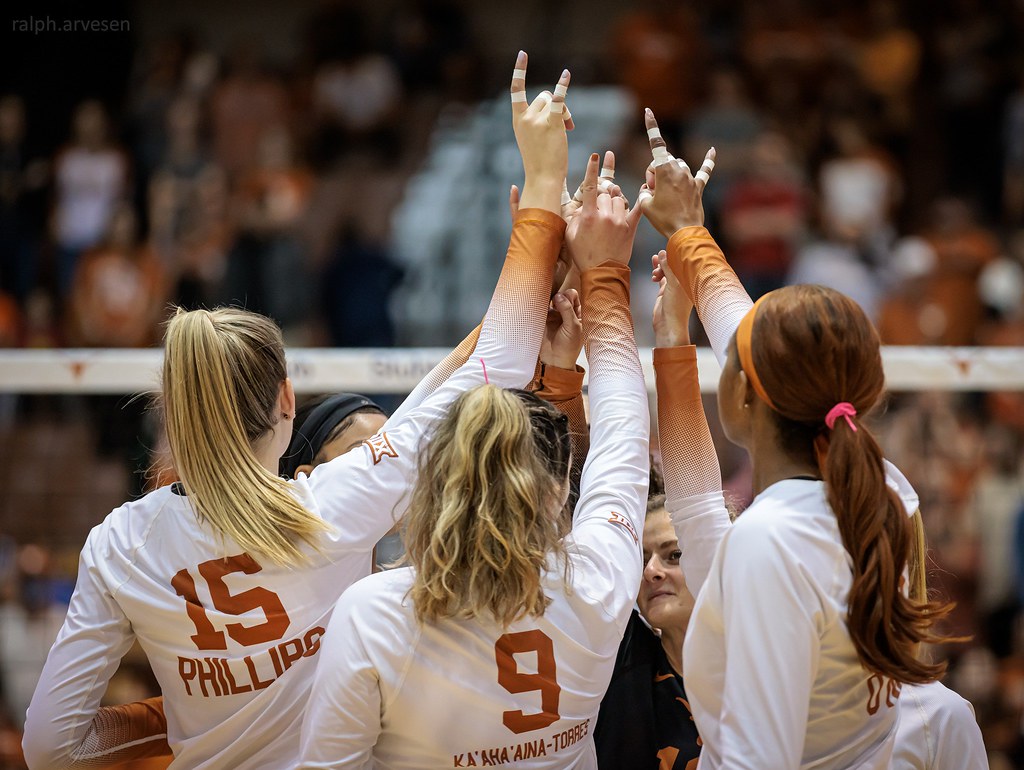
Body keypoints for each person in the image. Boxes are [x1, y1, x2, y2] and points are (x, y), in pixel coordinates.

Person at [21, 51, 573, 770]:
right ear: (287, 400)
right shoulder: (331, 506)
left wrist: (181, 721)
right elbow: (485, 370)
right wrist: (542, 188)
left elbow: (46, 746)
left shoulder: (121, 544)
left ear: (177, 415)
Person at [642, 111, 985, 768]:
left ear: (745, 395)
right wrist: (688, 243)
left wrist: (689, 240)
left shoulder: (774, 541)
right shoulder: (885, 491)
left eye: (734, 365)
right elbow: (697, 504)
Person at [296, 143, 650, 769]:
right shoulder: (596, 580)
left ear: (426, 490)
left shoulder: (377, 612)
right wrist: (604, 279)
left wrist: (553, 256)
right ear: (556, 491)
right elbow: (622, 434)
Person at [594, 493, 701, 770]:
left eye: (674, 555)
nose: (650, 571)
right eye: (641, 561)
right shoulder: (622, 652)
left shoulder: (759, 663)